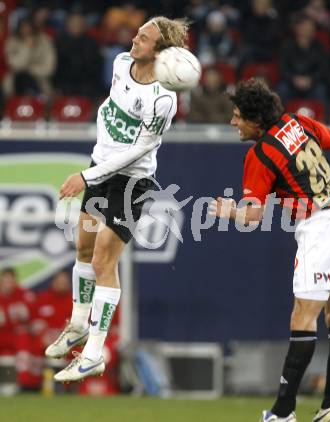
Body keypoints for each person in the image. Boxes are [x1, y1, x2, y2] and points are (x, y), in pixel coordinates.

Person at [208, 78, 330, 422]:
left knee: (302, 318)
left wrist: (229, 210)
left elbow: (252, 217)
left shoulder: (260, 154)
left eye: (237, 116)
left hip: (320, 229)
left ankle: (283, 412)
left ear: (255, 120)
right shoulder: (298, 122)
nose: (233, 122)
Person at [44, 16, 188, 383]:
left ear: (160, 51)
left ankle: (93, 353)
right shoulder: (121, 63)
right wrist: (96, 165)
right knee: (83, 249)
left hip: (129, 183)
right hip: (100, 169)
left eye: (144, 37)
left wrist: (86, 176)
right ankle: (77, 323)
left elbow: (139, 150)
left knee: (105, 261)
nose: (134, 39)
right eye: (138, 33)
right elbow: (110, 111)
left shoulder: (164, 99)